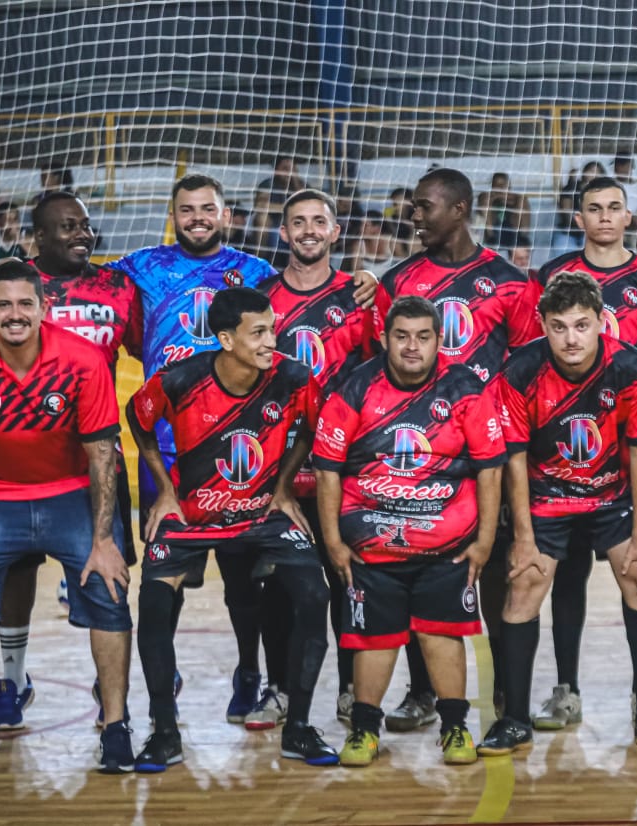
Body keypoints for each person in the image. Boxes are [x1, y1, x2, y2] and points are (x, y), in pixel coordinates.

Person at [112, 173, 375, 729]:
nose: (198, 218)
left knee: (264, 578)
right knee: (173, 584)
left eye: (208, 208)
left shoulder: (258, 276)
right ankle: (172, 685)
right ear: (172, 216)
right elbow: (83, 284)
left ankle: (266, 676)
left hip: (262, 452)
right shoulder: (140, 267)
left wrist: (372, 278)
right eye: (187, 209)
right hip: (175, 451)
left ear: (227, 215)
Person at [0, 261, 133, 775]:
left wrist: (103, 540)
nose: (14, 314)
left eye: (25, 304)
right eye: (3, 305)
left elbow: (101, 456)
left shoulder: (82, 360)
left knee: (108, 589)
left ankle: (116, 725)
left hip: (70, 494)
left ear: (43, 308)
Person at [127, 286, 338, 770]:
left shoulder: (293, 377)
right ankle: (164, 733)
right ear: (225, 339)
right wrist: (165, 491)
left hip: (262, 515)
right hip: (192, 515)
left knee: (314, 597)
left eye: (273, 330)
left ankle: (299, 727)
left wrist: (283, 486)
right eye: (258, 333)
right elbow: (137, 419)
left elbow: (311, 427)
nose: (272, 342)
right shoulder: (179, 379)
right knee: (154, 606)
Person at [480, 271, 637, 755]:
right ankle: (514, 719)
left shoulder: (630, 367)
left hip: (612, 497)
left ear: (601, 323)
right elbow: (514, 459)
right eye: (559, 326)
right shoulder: (520, 371)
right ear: (543, 326)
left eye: (582, 325)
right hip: (546, 497)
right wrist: (523, 537)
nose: (571, 338)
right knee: (524, 584)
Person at [372, 166, 541, 731]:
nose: (414, 215)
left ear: (460, 209)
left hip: (490, 456)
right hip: (420, 456)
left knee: (495, 576)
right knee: (418, 573)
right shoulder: (398, 281)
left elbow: (529, 370)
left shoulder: (510, 281)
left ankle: (506, 696)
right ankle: (422, 693)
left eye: (425, 206)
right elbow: (382, 369)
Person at [0, 191, 142, 731]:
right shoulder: (14, 291)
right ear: (38, 237)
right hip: (20, 464)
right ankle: (12, 679)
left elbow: (150, 350)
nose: (81, 234)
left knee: (108, 576)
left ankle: (108, 686)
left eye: (85, 225)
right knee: (16, 576)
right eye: (68, 226)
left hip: (96, 464)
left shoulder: (117, 287)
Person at [314, 296, 505, 767]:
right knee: (374, 639)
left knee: (442, 634)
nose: (412, 346)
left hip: (446, 550)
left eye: (423, 337)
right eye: (401, 336)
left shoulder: (465, 388)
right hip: (371, 549)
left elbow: (490, 468)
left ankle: (455, 728)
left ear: (439, 340)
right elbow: (327, 469)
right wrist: (333, 541)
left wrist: (484, 541)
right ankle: (365, 731)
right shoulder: (355, 387)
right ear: (384, 338)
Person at [530, 177, 637, 731]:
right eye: (594, 208)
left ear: (629, 217)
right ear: (578, 218)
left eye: (615, 208)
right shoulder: (552, 275)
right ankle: (566, 689)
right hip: (564, 458)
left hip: (629, 453)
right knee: (567, 577)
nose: (605, 217)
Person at [261, 189, 375, 724]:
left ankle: (351, 690)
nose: (308, 230)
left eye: (318, 221)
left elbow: (378, 376)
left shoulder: (360, 297)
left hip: (344, 468)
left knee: (348, 580)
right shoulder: (262, 298)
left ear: (334, 231)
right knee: (279, 587)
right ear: (283, 232)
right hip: (277, 468)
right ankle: (279, 689)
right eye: (298, 222)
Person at [551, 161, 607, 256]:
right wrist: (571, 182)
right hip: (567, 232)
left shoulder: (604, 193)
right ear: (584, 172)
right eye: (591, 171)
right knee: (564, 255)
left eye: (597, 172)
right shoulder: (571, 188)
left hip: (590, 233)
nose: (593, 175)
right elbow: (566, 213)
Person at [476, 172, 532, 253]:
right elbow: (482, 199)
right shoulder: (485, 197)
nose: (499, 188)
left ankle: (522, 237)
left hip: (513, 232)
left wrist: (504, 197)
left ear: (509, 186)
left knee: (522, 201)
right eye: (496, 185)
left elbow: (520, 198)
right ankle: (492, 238)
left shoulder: (517, 199)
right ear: (492, 186)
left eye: (502, 185)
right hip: (493, 234)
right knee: (485, 201)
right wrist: (498, 197)